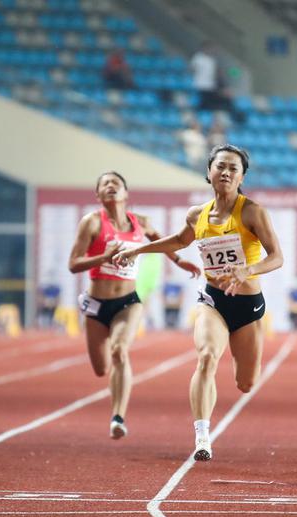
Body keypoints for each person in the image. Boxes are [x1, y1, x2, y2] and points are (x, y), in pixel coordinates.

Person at [114, 145, 284, 461]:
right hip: (213, 300)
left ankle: (218, 410)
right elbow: (180, 240)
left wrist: (248, 268)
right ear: (208, 172)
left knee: (245, 383)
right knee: (206, 357)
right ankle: (202, 436)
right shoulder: (198, 214)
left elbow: (277, 257)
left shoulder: (252, 212)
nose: (226, 172)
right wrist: (136, 250)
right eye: (220, 166)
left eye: (233, 168)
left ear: (242, 176)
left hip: (247, 307)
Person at [68, 172, 200, 439]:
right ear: (98, 195)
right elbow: (73, 264)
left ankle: (118, 417)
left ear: (126, 193)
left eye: (115, 183)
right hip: (96, 304)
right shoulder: (92, 224)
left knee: (119, 351)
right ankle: (115, 403)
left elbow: (164, 241)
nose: (110, 186)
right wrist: (104, 256)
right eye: (104, 184)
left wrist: (178, 261)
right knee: (101, 368)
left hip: (128, 301)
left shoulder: (141, 223)